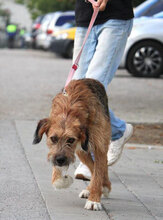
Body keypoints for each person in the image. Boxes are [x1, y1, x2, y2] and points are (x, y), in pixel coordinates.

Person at [73, 0, 134, 180]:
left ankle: (91, 159)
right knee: (77, 92)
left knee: (92, 90)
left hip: (115, 17)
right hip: (85, 18)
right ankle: (118, 130)